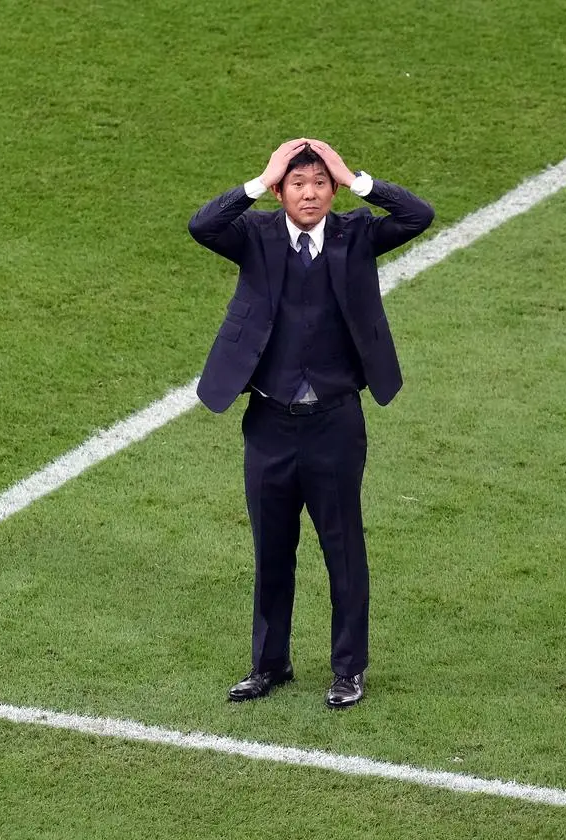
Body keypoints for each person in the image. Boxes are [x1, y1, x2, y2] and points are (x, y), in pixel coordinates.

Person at [188, 138, 434, 708]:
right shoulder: (257, 236)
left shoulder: (357, 234)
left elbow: (418, 215)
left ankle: (349, 670)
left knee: (342, 548)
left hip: (335, 424)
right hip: (269, 423)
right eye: (298, 184)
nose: (310, 193)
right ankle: (269, 664)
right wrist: (257, 180)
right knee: (272, 549)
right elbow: (202, 226)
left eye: (320, 183)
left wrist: (356, 180)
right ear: (281, 191)